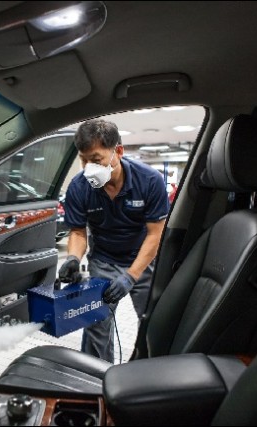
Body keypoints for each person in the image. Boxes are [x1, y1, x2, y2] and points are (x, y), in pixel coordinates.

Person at [59, 119, 169, 362]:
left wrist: (131, 276)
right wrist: (73, 259)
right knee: (96, 324)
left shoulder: (150, 181)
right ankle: (96, 378)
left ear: (118, 152)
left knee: (153, 324)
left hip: (143, 260)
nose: (88, 167)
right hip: (103, 260)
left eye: (95, 160)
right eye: (83, 159)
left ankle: (150, 369)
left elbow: (155, 234)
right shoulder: (79, 187)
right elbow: (78, 232)